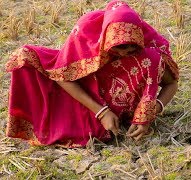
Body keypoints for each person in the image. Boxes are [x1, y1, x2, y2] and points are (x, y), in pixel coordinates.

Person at [5, 0, 179, 147]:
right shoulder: (86, 30)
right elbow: (61, 75)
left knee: (151, 57)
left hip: (119, 105)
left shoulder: (151, 51)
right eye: (118, 49)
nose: (124, 53)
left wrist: (151, 111)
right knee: (25, 57)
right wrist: (101, 112)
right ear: (106, 39)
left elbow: (172, 83)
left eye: (132, 49)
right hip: (85, 95)